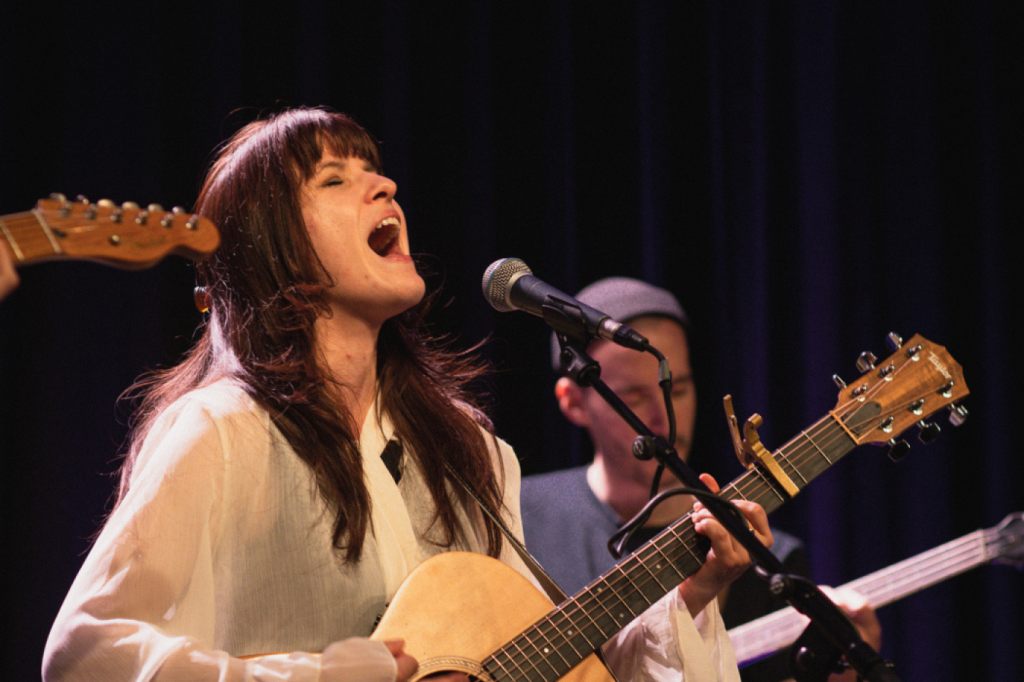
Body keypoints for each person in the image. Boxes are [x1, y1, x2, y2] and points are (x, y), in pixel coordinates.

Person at [42, 108, 771, 681]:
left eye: (376, 171)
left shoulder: (472, 450)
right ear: (274, 251)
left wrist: (690, 595)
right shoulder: (221, 432)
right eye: (333, 179)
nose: (384, 186)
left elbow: (556, 666)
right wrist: (320, 677)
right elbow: (86, 653)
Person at [521, 277, 881, 682]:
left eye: (677, 391)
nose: (660, 418)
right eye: (634, 399)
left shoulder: (766, 558)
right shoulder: (519, 519)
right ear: (572, 402)